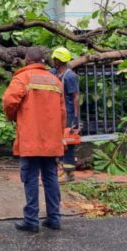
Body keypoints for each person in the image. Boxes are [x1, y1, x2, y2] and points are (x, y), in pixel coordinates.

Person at [2, 47, 66, 233]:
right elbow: (63, 112)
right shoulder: (55, 81)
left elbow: (9, 101)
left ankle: (31, 220)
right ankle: (54, 218)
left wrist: (14, 117)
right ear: (42, 61)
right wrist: (59, 134)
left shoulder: (23, 78)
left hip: (30, 138)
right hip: (51, 139)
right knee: (51, 177)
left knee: (30, 178)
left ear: (27, 60)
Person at [50, 46, 80, 183]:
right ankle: (62, 169)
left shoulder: (70, 76)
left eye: (54, 59)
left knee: (68, 143)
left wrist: (75, 118)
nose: (53, 61)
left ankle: (69, 174)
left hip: (68, 114)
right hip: (57, 114)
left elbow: (75, 97)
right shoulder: (54, 73)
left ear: (58, 60)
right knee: (58, 142)